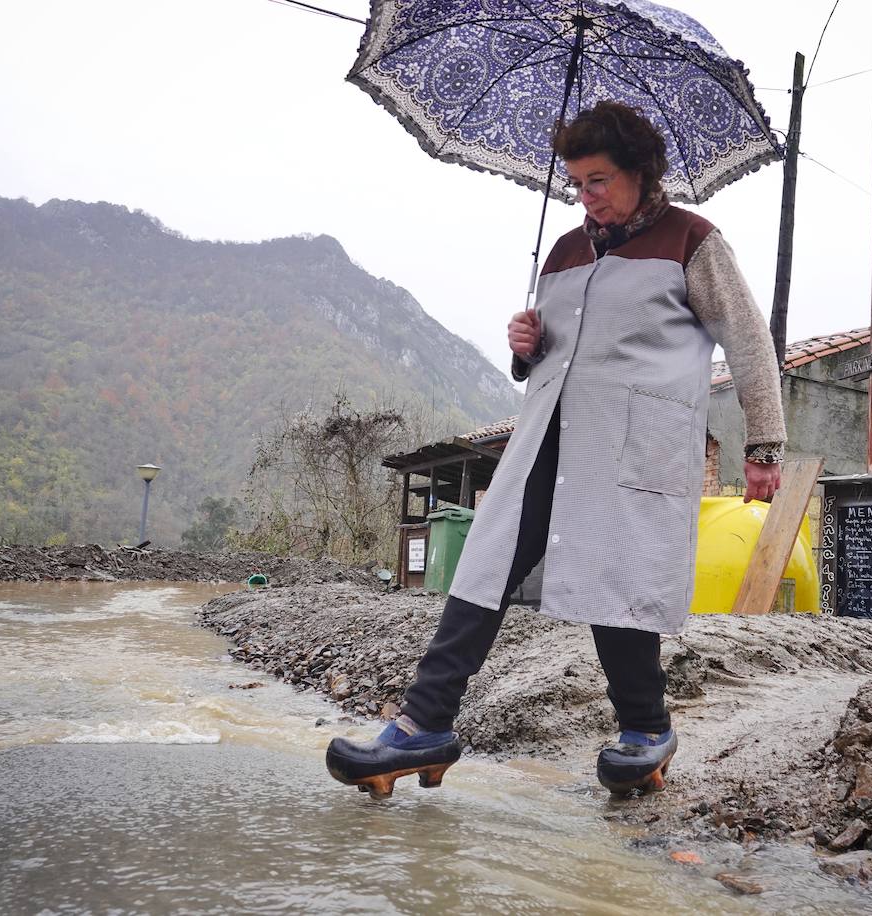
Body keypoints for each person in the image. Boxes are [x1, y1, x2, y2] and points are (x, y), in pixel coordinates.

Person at [326, 101, 787, 799]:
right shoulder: (566, 251)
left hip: (633, 443)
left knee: (617, 580)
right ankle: (424, 724)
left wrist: (764, 443)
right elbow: (553, 358)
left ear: (640, 171)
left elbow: (749, 342)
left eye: (598, 179)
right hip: (547, 437)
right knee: (484, 565)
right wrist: (525, 347)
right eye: (575, 182)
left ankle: (646, 729)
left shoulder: (692, 240)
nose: (585, 195)